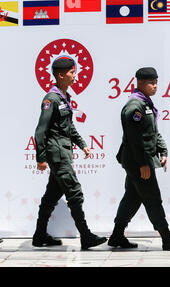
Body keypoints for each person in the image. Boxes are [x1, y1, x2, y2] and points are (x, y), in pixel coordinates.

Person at [109, 67, 170, 250]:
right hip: (138, 161)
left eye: (156, 82)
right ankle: (167, 237)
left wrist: (163, 151)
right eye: (151, 83)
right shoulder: (135, 107)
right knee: (152, 197)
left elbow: (152, 132)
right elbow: (136, 139)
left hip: (139, 160)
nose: (155, 86)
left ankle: (116, 235)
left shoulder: (145, 104)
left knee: (132, 198)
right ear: (139, 83)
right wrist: (144, 164)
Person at [33, 58, 107, 250]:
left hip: (64, 151)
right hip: (57, 153)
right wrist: (40, 158)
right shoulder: (51, 99)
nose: (75, 76)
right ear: (61, 75)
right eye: (72, 73)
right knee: (74, 192)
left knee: (51, 195)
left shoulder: (65, 97)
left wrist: (83, 145)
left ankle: (39, 235)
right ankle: (86, 236)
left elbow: (69, 127)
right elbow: (41, 130)